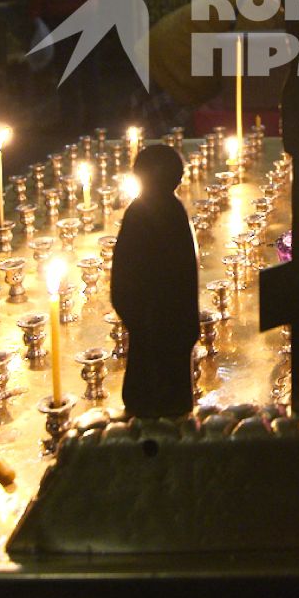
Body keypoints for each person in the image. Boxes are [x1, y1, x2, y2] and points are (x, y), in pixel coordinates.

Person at [109, 145, 201, 417]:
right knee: (153, 373)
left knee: (161, 374)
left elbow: (184, 270)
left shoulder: (162, 213)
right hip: (156, 317)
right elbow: (127, 268)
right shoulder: (154, 213)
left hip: (160, 316)